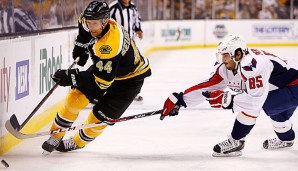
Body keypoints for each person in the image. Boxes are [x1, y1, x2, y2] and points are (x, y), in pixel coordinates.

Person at [42, 0, 151, 155]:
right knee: (75, 99)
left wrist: (72, 76)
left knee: (99, 117)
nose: (90, 27)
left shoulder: (110, 44)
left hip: (130, 79)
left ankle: (76, 142)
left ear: (105, 21)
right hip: (107, 66)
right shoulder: (88, 20)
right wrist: (80, 47)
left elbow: (103, 81)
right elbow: (83, 31)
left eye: (94, 24)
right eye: (89, 23)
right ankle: (56, 135)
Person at [161, 34, 298, 157]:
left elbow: (254, 103)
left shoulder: (254, 66)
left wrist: (228, 100)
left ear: (238, 54)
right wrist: (181, 99)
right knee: (278, 115)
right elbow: (209, 85)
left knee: (261, 105)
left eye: (225, 55)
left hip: (294, 85)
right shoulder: (227, 66)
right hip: (283, 85)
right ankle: (286, 139)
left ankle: (236, 141)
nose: (223, 59)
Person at [109, 0, 144, 102]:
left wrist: (138, 29)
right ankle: (103, 93)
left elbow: (136, 18)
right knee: (112, 68)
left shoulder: (133, 7)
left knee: (133, 67)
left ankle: (132, 93)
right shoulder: (113, 8)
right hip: (116, 44)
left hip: (130, 44)